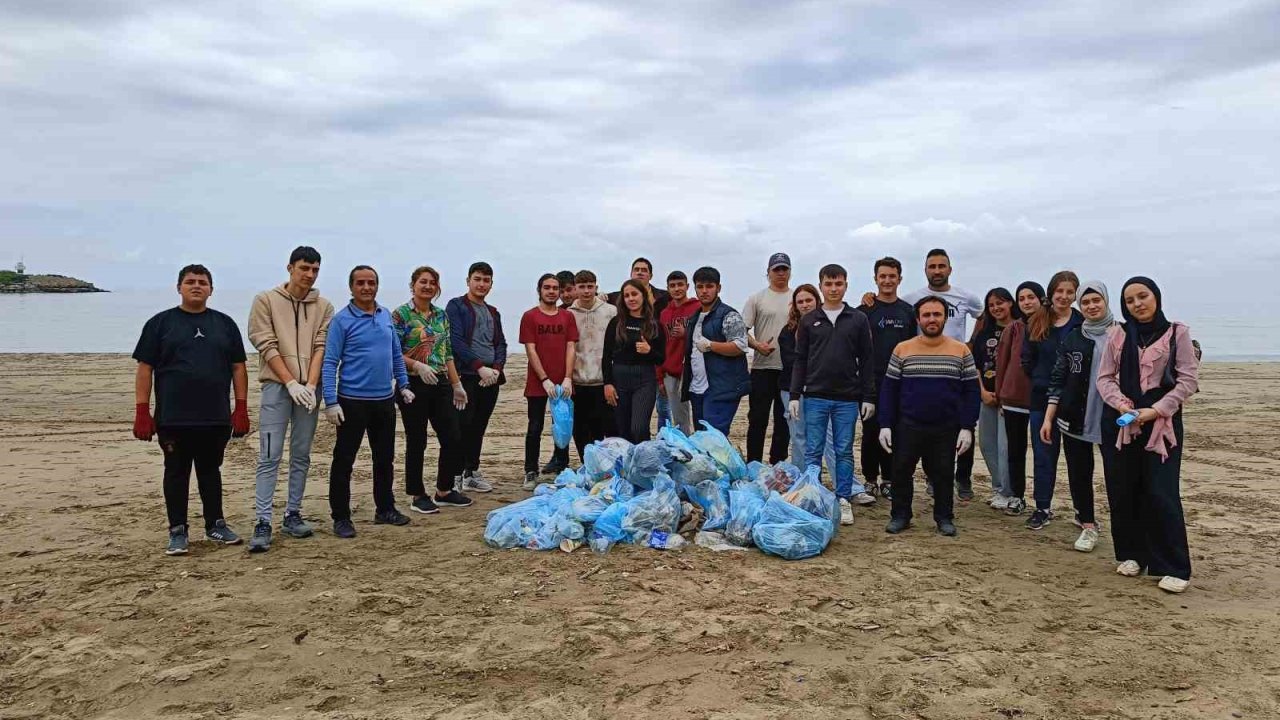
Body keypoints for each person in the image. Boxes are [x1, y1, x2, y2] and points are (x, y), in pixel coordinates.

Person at [133, 264, 250, 555]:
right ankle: (177, 530)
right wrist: (142, 411)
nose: (196, 286)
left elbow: (238, 367)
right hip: (174, 417)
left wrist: (242, 407)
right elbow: (145, 368)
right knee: (176, 472)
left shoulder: (224, 324)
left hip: (215, 416)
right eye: (190, 282)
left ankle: (216, 524)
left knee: (210, 470)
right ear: (179, 287)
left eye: (202, 282)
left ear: (211, 289)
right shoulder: (160, 324)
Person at [1096, 277, 1199, 593]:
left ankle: (1173, 566)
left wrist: (1156, 410)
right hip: (1123, 422)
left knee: (1161, 491)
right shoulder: (1118, 334)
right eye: (1130, 300)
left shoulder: (1176, 333)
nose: (1137, 304)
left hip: (1162, 424)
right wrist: (1123, 404)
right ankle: (1131, 554)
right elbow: (1104, 378)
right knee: (1124, 489)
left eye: (1143, 296)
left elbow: (1187, 380)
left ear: (1156, 297)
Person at [245, 246, 334, 553]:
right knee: (269, 455)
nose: (309, 275)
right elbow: (265, 343)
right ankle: (262, 520)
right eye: (304, 268)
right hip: (276, 388)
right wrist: (291, 382)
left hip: (309, 388)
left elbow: (322, 344)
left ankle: (293, 513)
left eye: (315, 270)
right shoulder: (265, 300)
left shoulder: (323, 305)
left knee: (301, 453)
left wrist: (309, 384)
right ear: (290, 268)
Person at [322, 265, 416, 538]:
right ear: (351, 287)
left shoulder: (385, 315)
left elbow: (396, 355)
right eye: (360, 283)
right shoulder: (341, 321)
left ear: (377, 285)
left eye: (371, 282)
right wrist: (330, 401)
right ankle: (341, 517)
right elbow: (330, 362)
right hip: (350, 401)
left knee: (384, 458)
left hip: (384, 401)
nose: (366, 287)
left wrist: (404, 385)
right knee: (344, 460)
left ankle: (385, 508)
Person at [878, 296, 981, 537]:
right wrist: (885, 424)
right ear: (918, 318)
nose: (932, 319)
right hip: (908, 424)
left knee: (944, 473)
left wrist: (967, 427)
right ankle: (900, 516)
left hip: (946, 426)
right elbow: (889, 389)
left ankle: (944, 517)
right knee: (901, 471)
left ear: (945, 317)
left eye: (937, 314)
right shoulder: (903, 349)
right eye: (927, 315)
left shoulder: (960, 350)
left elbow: (971, 391)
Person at [887, 249, 983, 501]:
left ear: (949, 269)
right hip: (920, 367)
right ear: (925, 270)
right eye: (932, 266)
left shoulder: (965, 297)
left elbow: (982, 316)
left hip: (955, 365)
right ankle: (930, 482)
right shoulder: (912, 299)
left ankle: (962, 479)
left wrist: (971, 342)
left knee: (961, 431)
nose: (937, 270)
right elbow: (892, 306)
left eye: (942, 266)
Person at [788, 264, 877, 525]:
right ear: (821, 286)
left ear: (846, 285)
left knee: (844, 450)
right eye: (828, 284)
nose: (834, 288)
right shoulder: (809, 320)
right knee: (813, 450)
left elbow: (868, 360)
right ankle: (813, 496)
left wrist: (868, 396)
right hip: (815, 396)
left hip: (847, 398)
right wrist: (795, 394)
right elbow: (800, 360)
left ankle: (843, 498)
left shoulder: (858, 319)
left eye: (838, 283)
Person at [392, 266, 475, 515]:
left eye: (432, 283)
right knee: (417, 440)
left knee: (452, 436)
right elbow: (393, 351)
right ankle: (417, 494)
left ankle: (444, 490)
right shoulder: (401, 315)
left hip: (439, 382)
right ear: (413, 285)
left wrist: (456, 384)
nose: (427, 286)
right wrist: (416, 365)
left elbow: (446, 351)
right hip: (413, 384)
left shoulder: (440, 315)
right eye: (423, 282)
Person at [1041, 280, 1116, 553]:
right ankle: (1087, 523)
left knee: (1118, 475)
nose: (1091, 306)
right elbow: (1058, 379)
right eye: (1085, 302)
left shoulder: (1123, 334)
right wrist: (1049, 418)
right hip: (1073, 418)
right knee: (1079, 473)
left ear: (1106, 301)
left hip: (1114, 422)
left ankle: (1125, 526)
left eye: (1096, 300)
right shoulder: (1073, 337)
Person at [1021, 271, 1083, 530]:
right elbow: (1027, 360)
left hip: (1075, 402)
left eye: (1070, 292)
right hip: (1040, 400)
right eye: (1060, 291)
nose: (1065, 297)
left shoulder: (1081, 322)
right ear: (1051, 293)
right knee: (1044, 456)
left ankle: (1083, 510)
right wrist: (1042, 381)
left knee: (1077, 459)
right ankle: (1042, 507)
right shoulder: (1037, 321)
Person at [857, 257, 917, 500]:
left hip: (900, 383)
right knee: (870, 432)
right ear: (875, 279)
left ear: (899, 279)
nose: (887, 281)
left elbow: (915, 347)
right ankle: (870, 479)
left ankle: (889, 479)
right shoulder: (864, 311)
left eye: (892, 276)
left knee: (895, 432)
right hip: (870, 382)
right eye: (883, 276)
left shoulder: (908, 311)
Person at [446, 262, 507, 492]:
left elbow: (500, 342)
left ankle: (471, 470)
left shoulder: (493, 312)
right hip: (468, 375)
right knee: (461, 425)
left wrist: (497, 368)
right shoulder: (456, 306)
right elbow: (456, 341)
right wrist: (478, 366)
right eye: (478, 279)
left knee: (479, 426)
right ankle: (454, 474)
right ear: (468, 280)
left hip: (491, 377)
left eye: (486, 280)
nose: (482, 284)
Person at [519, 273, 578, 489]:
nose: (552, 291)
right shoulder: (530, 316)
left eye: (555, 288)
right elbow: (530, 349)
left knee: (562, 424)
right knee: (535, 426)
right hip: (538, 383)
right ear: (540, 290)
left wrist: (568, 378)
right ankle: (530, 471)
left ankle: (562, 466)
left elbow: (571, 346)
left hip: (563, 382)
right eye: (547, 287)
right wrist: (544, 378)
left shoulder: (567, 317)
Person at [680, 266, 750, 435]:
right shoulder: (693, 318)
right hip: (697, 388)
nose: (704, 291)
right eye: (700, 286)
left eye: (709, 286)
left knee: (714, 440)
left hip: (722, 388)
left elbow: (741, 345)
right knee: (701, 439)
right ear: (695, 288)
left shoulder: (729, 315)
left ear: (718, 288)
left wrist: (712, 345)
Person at [995, 281, 1044, 516]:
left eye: (1031, 297)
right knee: (1015, 450)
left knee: (1043, 452)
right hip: (1013, 398)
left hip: (1042, 400)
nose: (1027, 302)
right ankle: (1017, 495)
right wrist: (1000, 396)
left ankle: (1043, 502)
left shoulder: (1051, 325)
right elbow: (1001, 364)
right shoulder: (1013, 329)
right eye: (1022, 298)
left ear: (1041, 298)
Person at [743, 252, 793, 464]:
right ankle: (753, 463)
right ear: (768, 273)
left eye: (784, 269)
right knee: (757, 419)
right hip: (763, 368)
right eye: (776, 269)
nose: (781, 273)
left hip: (789, 369)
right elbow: (740, 332)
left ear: (790, 271)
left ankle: (777, 463)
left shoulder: (797, 297)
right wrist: (757, 345)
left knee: (784, 421)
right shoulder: (757, 298)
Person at [969, 288, 1016, 512]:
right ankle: (998, 487)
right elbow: (976, 366)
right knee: (988, 444)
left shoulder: (1021, 329)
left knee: (1005, 446)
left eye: (1001, 303)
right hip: (987, 396)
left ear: (1010, 303)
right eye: (992, 305)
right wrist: (982, 392)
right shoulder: (984, 334)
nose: (997, 308)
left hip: (1012, 400)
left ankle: (1009, 491)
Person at [604, 279, 667, 443]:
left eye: (634, 294)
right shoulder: (616, 323)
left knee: (638, 428)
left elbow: (661, 359)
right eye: (627, 295)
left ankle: (643, 463)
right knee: (622, 430)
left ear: (643, 296)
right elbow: (606, 356)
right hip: (619, 379)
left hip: (644, 380)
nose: (631, 299)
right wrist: (608, 384)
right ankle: (628, 466)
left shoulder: (655, 325)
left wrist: (649, 351)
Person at [778, 284, 833, 472]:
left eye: (809, 300)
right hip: (792, 390)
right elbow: (792, 362)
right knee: (799, 436)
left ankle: (849, 486)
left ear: (817, 301)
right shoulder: (787, 331)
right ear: (794, 305)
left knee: (828, 437)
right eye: (800, 301)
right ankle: (804, 481)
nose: (805, 305)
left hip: (823, 389)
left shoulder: (830, 325)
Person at [568, 270, 617, 459]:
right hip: (578, 381)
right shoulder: (568, 315)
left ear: (596, 287)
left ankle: (609, 466)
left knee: (606, 429)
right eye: (582, 287)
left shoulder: (611, 311)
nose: (586, 291)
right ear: (575, 289)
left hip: (603, 381)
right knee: (580, 429)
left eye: (590, 287)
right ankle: (587, 465)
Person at [658, 270, 699, 434]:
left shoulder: (697, 307)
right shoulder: (664, 314)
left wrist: (686, 334)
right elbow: (660, 346)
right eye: (672, 286)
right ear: (668, 289)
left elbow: (706, 336)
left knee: (699, 413)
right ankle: (686, 450)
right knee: (679, 416)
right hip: (670, 370)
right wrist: (659, 377)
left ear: (687, 286)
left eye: (680, 285)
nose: (677, 289)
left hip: (694, 369)